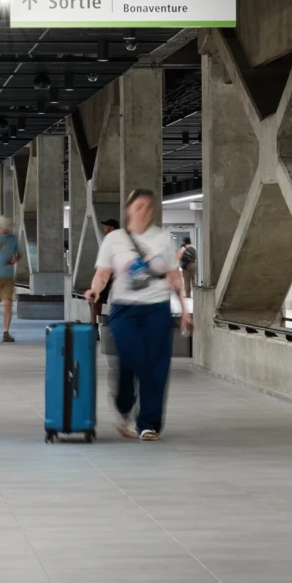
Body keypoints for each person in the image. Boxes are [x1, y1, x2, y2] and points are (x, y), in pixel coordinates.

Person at [85, 189, 188, 441]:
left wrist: (185, 310)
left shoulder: (162, 238)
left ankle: (148, 424)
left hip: (157, 308)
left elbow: (174, 277)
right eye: (139, 206)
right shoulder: (115, 239)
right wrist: (95, 289)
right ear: (128, 209)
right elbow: (103, 274)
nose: (144, 211)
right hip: (124, 308)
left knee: (156, 366)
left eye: (148, 207)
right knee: (129, 359)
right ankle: (124, 406)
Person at [0, 215, 23, 342]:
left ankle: (6, 332)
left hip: (8, 277)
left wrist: (14, 261)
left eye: (7, 228)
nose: (6, 230)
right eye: (4, 228)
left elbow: (19, 254)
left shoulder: (13, 238)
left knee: (7, 304)